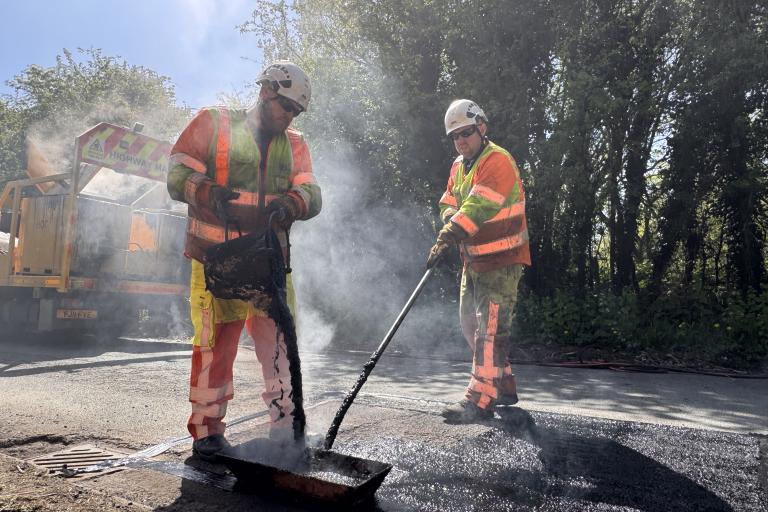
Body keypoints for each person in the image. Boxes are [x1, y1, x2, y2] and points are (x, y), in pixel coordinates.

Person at [167, 61, 322, 460]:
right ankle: (207, 433)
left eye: (296, 112)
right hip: (216, 261)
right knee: (215, 347)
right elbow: (176, 173)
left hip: (269, 261)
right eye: (286, 107)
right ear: (267, 92)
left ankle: (287, 429)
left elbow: (312, 193)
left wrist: (292, 203)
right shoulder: (212, 123)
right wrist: (205, 191)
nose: (290, 117)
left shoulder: (297, 143)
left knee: (281, 346)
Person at [427, 99, 531, 422]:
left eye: (466, 133)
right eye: (455, 136)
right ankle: (504, 386)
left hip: (502, 260)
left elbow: (475, 208)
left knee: (489, 329)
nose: (461, 141)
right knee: (471, 325)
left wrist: (448, 234)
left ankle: (480, 401)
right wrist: (449, 220)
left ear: (481, 128)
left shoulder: (497, 161)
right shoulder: (458, 166)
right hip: (473, 262)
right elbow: (449, 201)